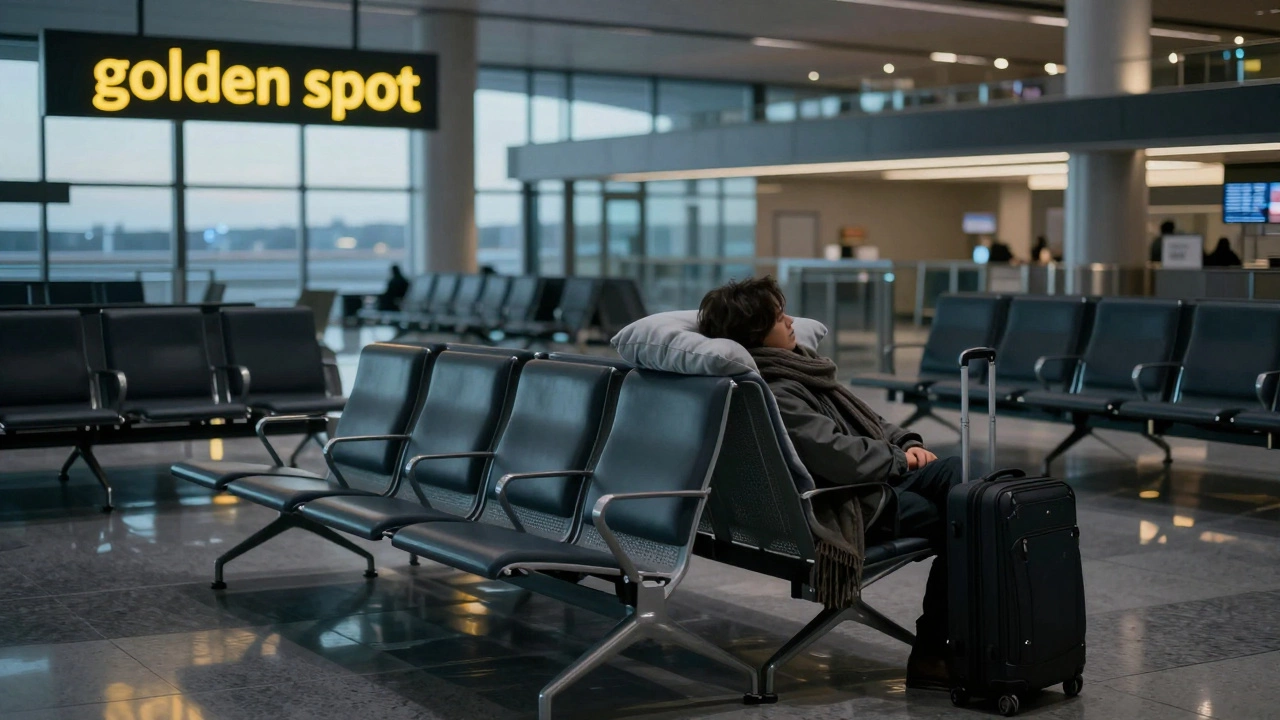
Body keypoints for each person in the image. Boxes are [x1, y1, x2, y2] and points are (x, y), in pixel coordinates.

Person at [697, 276, 960, 690]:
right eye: (777, 316)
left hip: (849, 488)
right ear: (753, 334)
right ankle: (935, 652)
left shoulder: (797, 372)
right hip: (841, 502)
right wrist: (897, 458)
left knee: (960, 479)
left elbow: (865, 419)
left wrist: (904, 442)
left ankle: (957, 644)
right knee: (963, 517)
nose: (789, 321)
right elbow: (836, 455)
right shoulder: (777, 389)